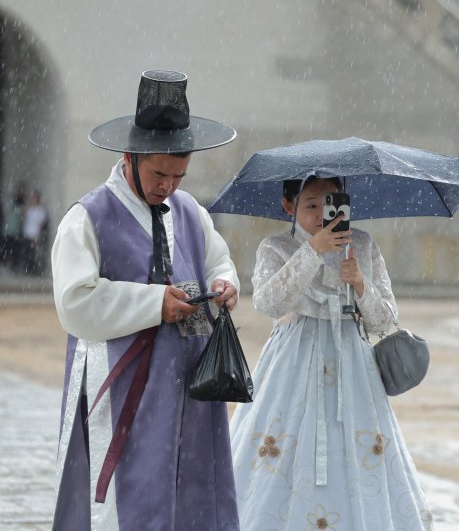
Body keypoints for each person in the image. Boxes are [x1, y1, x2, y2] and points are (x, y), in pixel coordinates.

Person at [51, 70, 241, 530]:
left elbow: (217, 260)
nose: (168, 186)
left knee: (192, 483)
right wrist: (155, 304)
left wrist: (224, 285)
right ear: (129, 157)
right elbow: (75, 303)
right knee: (128, 488)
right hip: (123, 381)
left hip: (189, 380)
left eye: (179, 175)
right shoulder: (88, 217)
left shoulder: (190, 210)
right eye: (159, 173)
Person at [228, 176, 432, 530]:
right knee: (285, 442)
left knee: (354, 443)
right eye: (310, 205)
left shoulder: (363, 245)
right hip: (293, 357)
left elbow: (385, 318)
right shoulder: (275, 247)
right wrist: (312, 252)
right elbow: (268, 301)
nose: (323, 213)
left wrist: (360, 284)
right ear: (288, 206)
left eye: (331, 202)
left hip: (352, 358)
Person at [21, 189, 49, 275]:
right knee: (26, 254)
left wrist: (38, 236)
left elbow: (41, 225)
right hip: (27, 234)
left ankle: (34, 272)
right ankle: (26, 271)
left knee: (33, 255)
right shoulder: (30, 209)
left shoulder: (41, 211)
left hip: (34, 235)